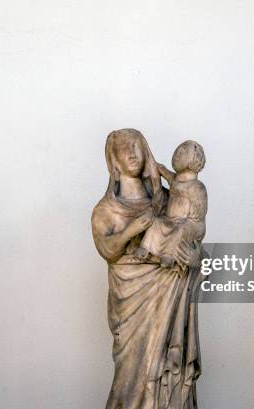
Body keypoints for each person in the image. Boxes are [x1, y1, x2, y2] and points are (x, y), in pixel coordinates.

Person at [91, 129, 204, 409]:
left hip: (170, 296)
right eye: (123, 149)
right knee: (131, 370)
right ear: (113, 161)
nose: (131, 153)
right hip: (131, 301)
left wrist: (192, 258)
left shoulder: (167, 201)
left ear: (146, 151)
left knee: (167, 365)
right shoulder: (107, 209)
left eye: (136, 146)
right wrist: (132, 229)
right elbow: (107, 250)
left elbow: (193, 241)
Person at [135, 140, 207, 271]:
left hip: (190, 224)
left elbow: (198, 216)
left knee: (180, 230)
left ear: (195, 159)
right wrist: (153, 164)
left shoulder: (197, 188)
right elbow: (164, 171)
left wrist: (188, 223)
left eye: (184, 150)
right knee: (156, 223)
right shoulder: (175, 180)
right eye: (179, 149)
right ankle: (146, 247)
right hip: (170, 220)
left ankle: (169, 255)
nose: (178, 153)